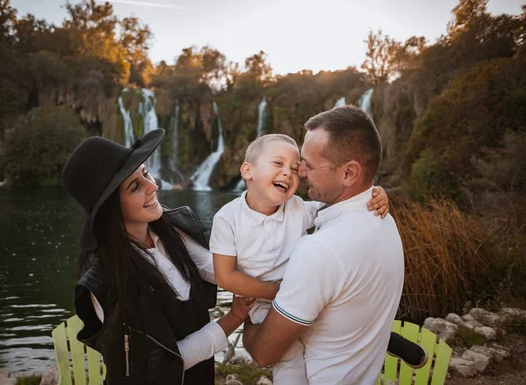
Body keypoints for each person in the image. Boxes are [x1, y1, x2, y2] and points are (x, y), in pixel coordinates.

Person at [61, 129, 253, 385]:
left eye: (146, 173)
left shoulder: (172, 231)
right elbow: (169, 360)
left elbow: (218, 270)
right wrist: (234, 318)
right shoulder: (107, 282)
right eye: (135, 186)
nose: (154, 186)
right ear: (111, 208)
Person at [243, 106, 406, 384]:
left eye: (309, 164)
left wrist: (245, 313)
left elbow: (263, 353)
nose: (299, 171)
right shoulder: (383, 221)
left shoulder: (321, 250)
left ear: (349, 173)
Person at [210, 133, 390, 385]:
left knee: (321, 342)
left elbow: (340, 207)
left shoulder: (298, 207)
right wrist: (275, 292)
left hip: (306, 299)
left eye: (295, 169)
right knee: (288, 358)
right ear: (248, 171)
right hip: (263, 301)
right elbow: (225, 276)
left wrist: (375, 193)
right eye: (278, 164)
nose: (288, 173)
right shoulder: (227, 219)